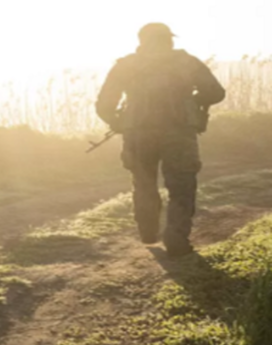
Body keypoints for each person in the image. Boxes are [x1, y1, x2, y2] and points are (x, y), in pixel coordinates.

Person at [95, 22, 226, 258]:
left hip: (138, 135)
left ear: (141, 41)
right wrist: (192, 101)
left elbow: (104, 105)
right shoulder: (187, 62)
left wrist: (119, 122)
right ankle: (176, 240)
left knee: (143, 183)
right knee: (181, 186)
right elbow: (216, 92)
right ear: (168, 40)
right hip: (178, 134)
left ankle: (148, 233)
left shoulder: (125, 65)